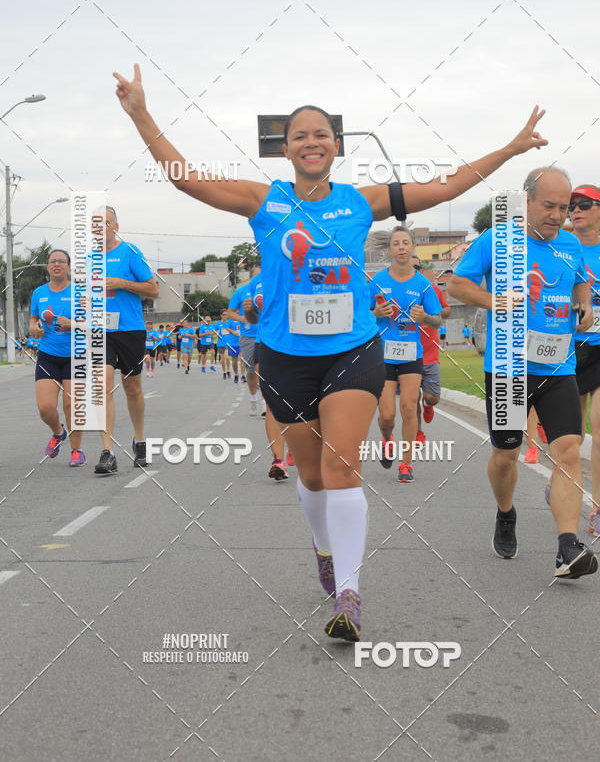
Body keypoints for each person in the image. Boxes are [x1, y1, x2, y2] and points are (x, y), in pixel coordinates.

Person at [114, 61, 548, 640]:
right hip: (286, 356)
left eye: (321, 134)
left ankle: (349, 592)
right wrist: (142, 114)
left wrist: (511, 150)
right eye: (300, 136)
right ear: (286, 150)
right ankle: (322, 548)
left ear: (336, 146)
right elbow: (186, 178)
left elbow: (446, 185)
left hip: (353, 350)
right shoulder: (262, 200)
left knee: (345, 466)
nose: (311, 142)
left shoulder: (360, 201)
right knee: (313, 475)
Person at [449, 167, 597, 579]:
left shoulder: (570, 243)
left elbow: (580, 283)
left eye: (564, 207)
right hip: (509, 366)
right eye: (549, 205)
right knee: (506, 453)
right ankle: (505, 511)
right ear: (527, 201)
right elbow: (457, 287)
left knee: (567, 449)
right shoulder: (499, 241)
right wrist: (495, 300)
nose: (557, 214)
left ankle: (567, 546)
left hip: (558, 364)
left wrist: (583, 305)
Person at [91, 206, 159, 475]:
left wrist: (120, 282)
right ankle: (107, 452)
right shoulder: (87, 259)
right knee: (103, 385)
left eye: (105, 223)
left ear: (115, 227)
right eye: (95, 223)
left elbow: (153, 289)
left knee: (132, 387)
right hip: (99, 330)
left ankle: (139, 440)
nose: (100, 227)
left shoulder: (129, 252)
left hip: (130, 328)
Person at [371, 229, 442, 481]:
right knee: (387, 415)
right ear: (389, 249)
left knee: (409, 409)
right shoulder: (377, 281)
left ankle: (406, 464)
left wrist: (425, 317)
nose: (401, 247)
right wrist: (376, 314)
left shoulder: (423, 283)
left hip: (412, 355)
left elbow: (436, 321)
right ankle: (386, 438)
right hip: (383, 356)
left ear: (412, 248)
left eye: (405, 243)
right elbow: (362, 317)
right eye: (396, 243)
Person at [29, 250, 86, 466]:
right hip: (48, 355)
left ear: (69, 267)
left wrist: (73, 324)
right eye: (53, 261)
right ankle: (58, 432)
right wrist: (34, 328)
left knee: (71, 405)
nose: (57, 265)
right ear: (48, 267)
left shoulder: (80, 292)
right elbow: (33, 320)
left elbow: (96, 325)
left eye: (61, 261)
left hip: (76, 356)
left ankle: (76, 450)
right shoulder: (39, 293)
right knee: (45, 407)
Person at [569, 184, 600, 537]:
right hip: (568, 349)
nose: (576, 210)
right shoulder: (562, 249)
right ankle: (564, 480)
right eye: (571, 206)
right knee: (571, 437)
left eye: (585, 205)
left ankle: (597, 506)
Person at [243, 270, 294, 480]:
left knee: (297, 403)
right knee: (273, 402)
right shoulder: (257, 281)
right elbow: (254, 318)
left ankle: (296, 443)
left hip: (298, 344)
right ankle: (278, 460)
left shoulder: (297, 271)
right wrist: (248, 312)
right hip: (266, 343)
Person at [411, 255, 451, 443]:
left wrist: (429, 313)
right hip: (408, 353)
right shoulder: (396, 288)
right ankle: (418, 432)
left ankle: (428, 405)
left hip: (430, 352)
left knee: (431, 397)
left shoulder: (432, 288)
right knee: (411, 401)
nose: (414, 271)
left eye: (417, 267)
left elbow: (446, 311)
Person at [227, 266, 262, 413]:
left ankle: (265, 402)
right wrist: (243, 318)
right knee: (251, 370)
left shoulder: (269, 290)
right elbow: (230, 313)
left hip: (266, 335)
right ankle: (253, 398)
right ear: (251, 278)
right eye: (257, 277)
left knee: (264, 370)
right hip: (247, 336)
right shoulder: (241, 292)